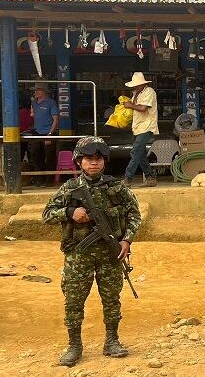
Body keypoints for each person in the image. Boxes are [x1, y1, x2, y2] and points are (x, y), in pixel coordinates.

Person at [42, 136, 141, 367]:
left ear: (104, 161)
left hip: (111, 254)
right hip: (78, 255)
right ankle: (74, 346)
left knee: (111, 299)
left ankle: (112, 341)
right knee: (74, 301)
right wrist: (69, 213)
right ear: (79, 161)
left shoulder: (117, 188)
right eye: (88, 159)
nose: (93, 163)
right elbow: (47, 214)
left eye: (98, 159)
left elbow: (134, 215)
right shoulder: (70, 188)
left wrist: (127, 240)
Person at [122, 72, 158, 187]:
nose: (135, 87)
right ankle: (150, 177)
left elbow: (142, 108)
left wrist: (129, 105)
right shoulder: (136, 93)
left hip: (147, 126)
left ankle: (128, 178)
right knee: (141, 153)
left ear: (142, 84)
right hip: (137, 126)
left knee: (135, 151)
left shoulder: (149, 92)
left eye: (136, 85)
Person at [30, 83, 60, 186]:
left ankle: (49, 181)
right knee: (36, 155)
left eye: (38, 90)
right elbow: (32, 115)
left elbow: (56, 119)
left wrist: (50, 134)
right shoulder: (34, 103)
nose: (36, 92)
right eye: (35, 90)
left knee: (50, 157)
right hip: (37, 133)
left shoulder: (51, 103)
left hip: (49, 133)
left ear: (45, 92)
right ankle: (39, 179)